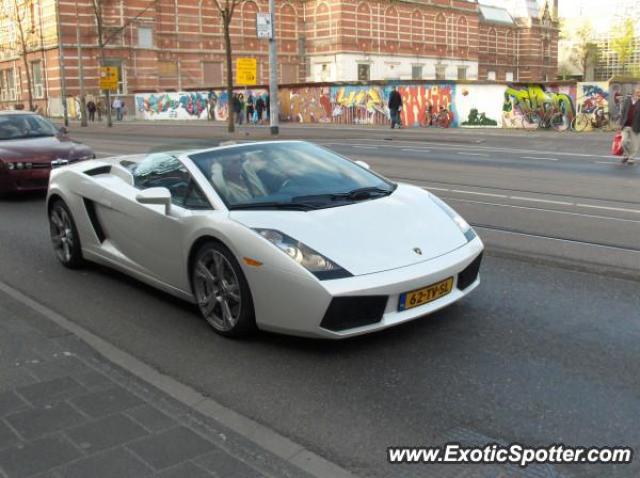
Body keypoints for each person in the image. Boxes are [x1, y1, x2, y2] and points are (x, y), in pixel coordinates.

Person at [618, 87, 640, 165]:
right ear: (634, 93)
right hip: (625, 125)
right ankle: (627, 155)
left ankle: (631, 158)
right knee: (623, 142)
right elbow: (623, 113)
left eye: (639, 92)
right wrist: (620, 124)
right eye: (637, 92)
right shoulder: (627, 101)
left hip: (636, 126)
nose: (639, 94)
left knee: (634, 144)